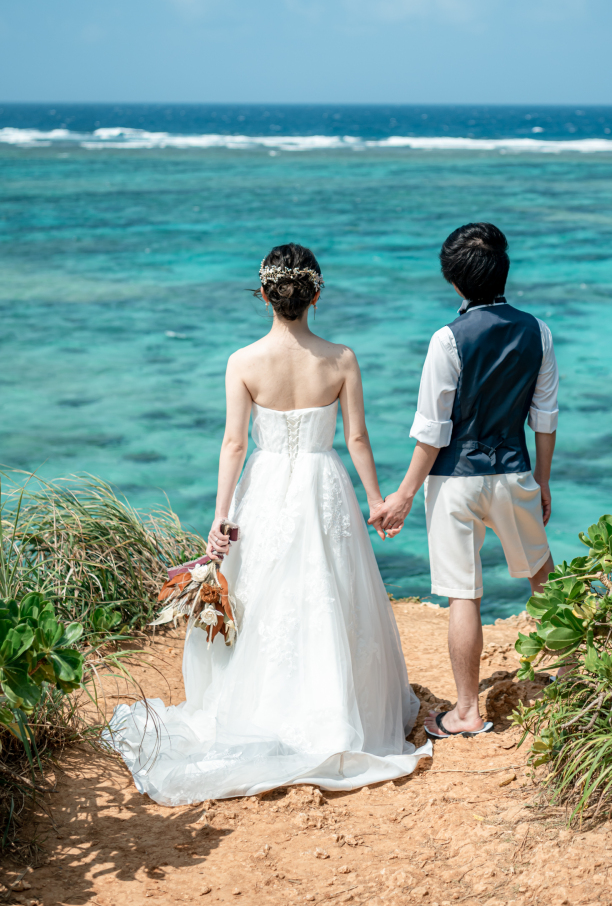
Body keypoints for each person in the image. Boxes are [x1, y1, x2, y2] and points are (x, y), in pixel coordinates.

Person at [107, 243, 430, 805]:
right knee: (328, 591)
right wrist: (377, 501)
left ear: (263, 294)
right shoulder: (341, 358)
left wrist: (220, 517)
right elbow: (356, 439)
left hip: (264, 487)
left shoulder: (243, 361)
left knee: (264, 594)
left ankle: (260, 707)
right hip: (323, 484)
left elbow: (234, 443)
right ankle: (336, 706)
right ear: (316, 293)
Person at [370, 223, 558, 739]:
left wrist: (403, 496)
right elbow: (545, 416)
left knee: (463, 596)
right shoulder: (537, 330)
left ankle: (468, 712)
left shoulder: (447, 338)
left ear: (454, 282)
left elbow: (432, 432)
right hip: (515, 471)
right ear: (504, 271)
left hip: (455, 481)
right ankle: (573, 678)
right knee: (543, 577)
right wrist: (542, 480)